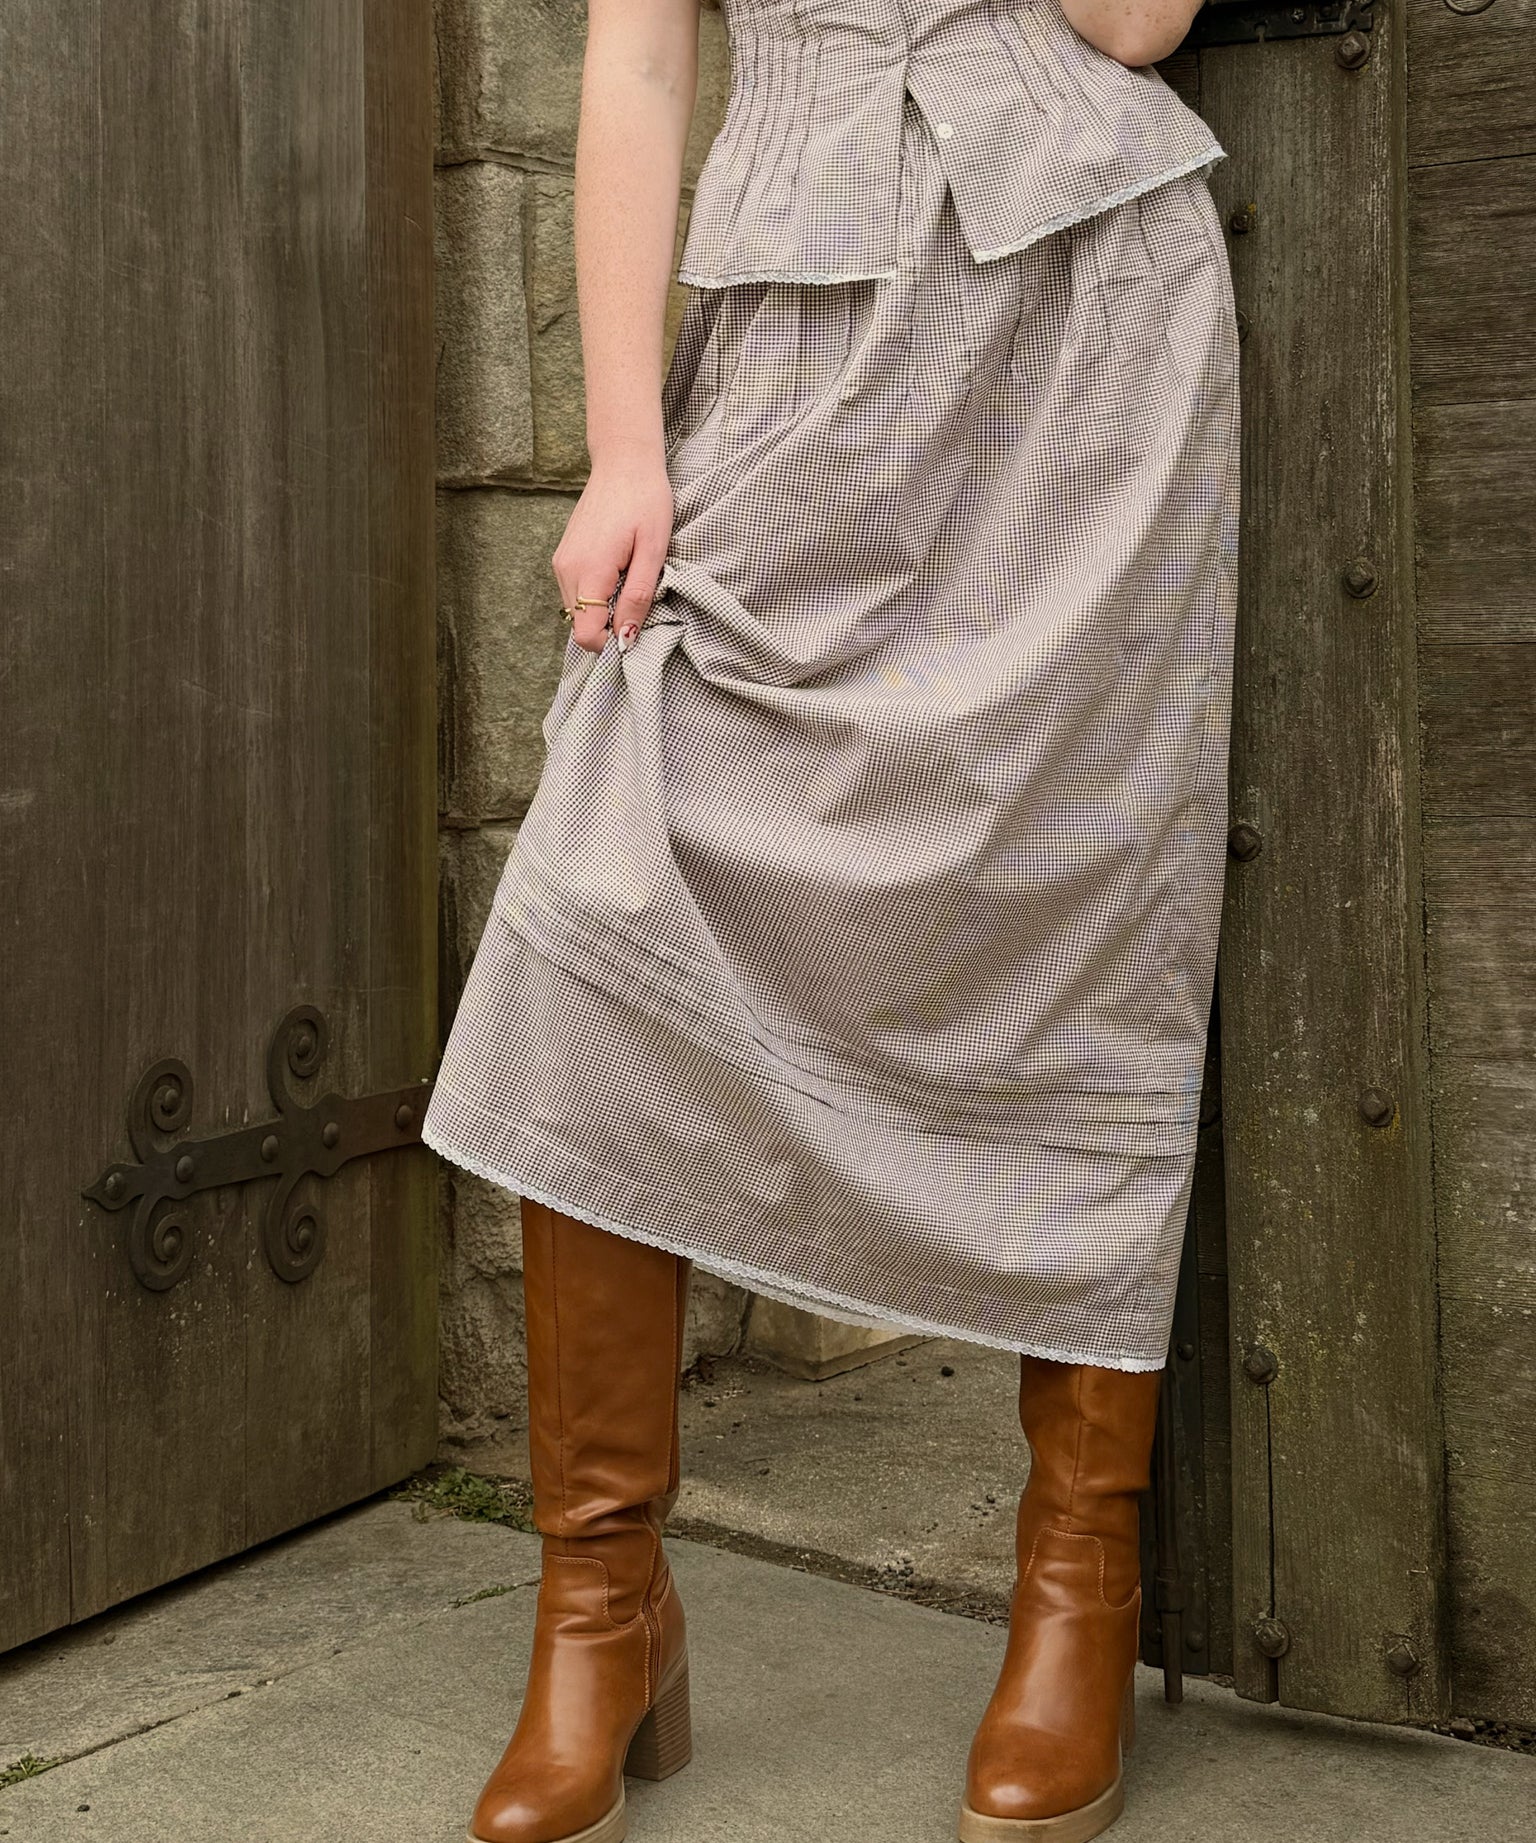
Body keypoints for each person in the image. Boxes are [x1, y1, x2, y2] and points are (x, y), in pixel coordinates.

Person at [421, 0, 1236, 1837]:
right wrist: (624, 448)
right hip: (791, 334)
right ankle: (601, 1604)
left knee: (1086, 921)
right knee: (598, 885)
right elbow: (638, 64)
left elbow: (1134, 26)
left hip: (1088, 324)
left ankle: (1077, 1585)